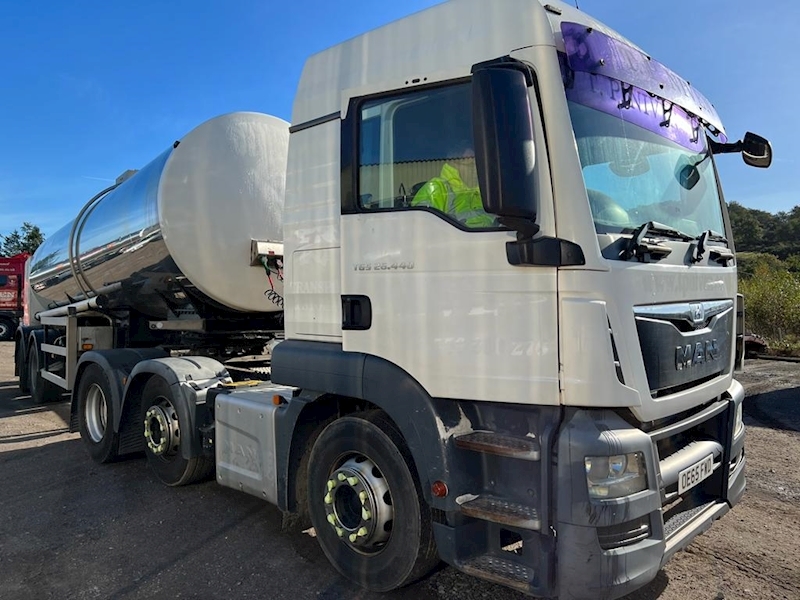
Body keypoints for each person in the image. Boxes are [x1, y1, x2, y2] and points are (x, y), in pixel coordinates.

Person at [410, 145, 495, 228]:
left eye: (478, 163)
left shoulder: (491, 192)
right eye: (469, 163)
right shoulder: (436, 189)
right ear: (453, 164)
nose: (475, 168)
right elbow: (422, 229)